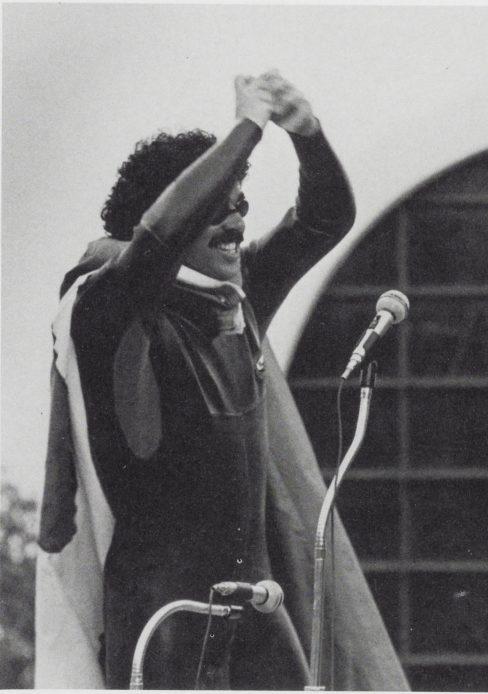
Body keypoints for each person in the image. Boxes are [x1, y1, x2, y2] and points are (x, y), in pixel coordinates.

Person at [35, 71, 406, 690]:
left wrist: (307, 135)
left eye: (241, 197)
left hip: (261, 613)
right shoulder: (106, 307)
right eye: (219, 199)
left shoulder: (236, 298)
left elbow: (325, 220)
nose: (238, 211)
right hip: (166, 625)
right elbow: (156, 239)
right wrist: (246, 129)